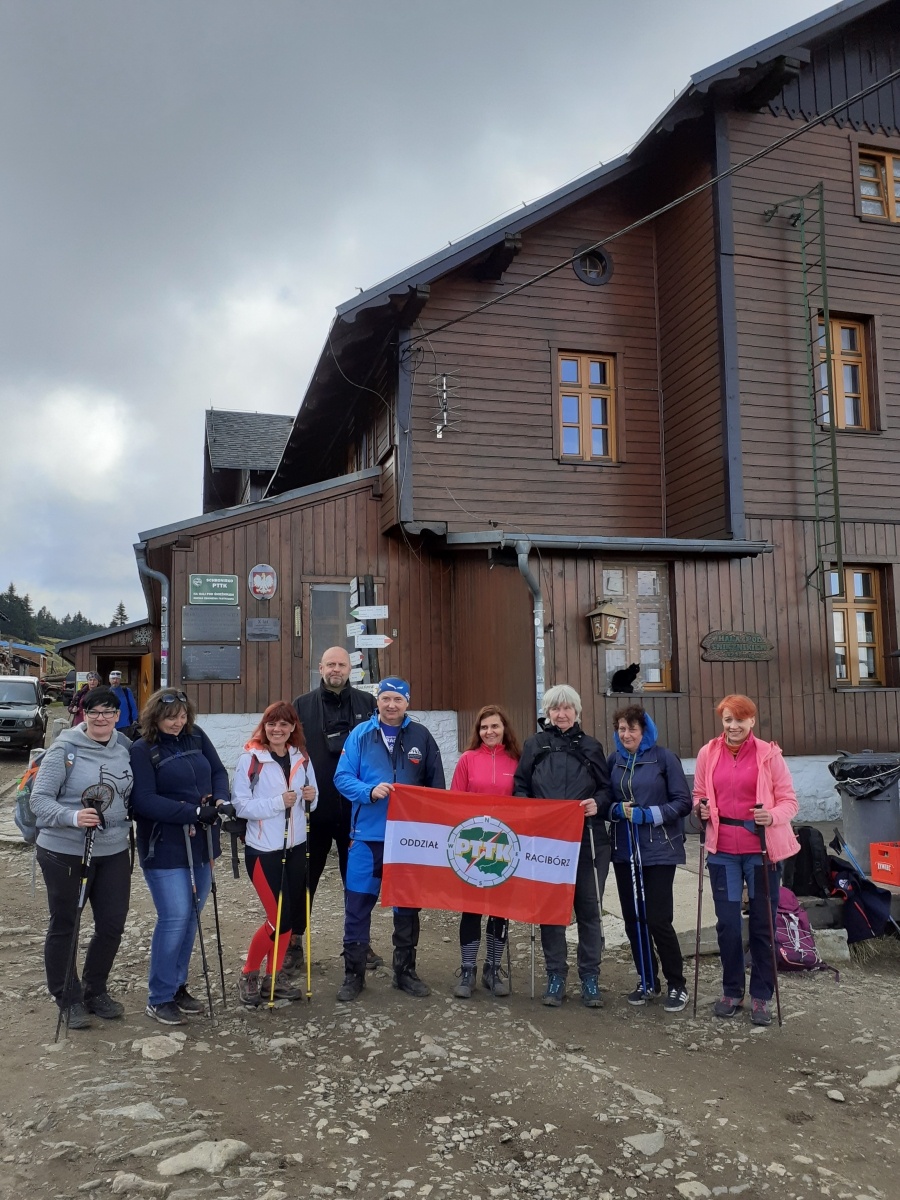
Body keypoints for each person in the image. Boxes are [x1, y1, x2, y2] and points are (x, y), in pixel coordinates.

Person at [333, 676, 445, 1002]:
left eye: (398, 699)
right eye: (386, 699)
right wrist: (368, 791)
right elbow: (341, 777)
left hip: (408, 839)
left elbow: (436, 786)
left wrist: (431, 828)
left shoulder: (421, 736)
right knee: (358, 904)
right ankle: (353, 975)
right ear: (377, 702)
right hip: (367, 837)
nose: (392, 705)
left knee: (407, 907)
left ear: (407, 703)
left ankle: (405, 972)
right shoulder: (360, 735)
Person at [29, 686, 134, 1029]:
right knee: (66, 924)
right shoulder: (65, 750)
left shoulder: (126, 748)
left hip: (114, 848)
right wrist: (73, 817)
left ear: (118, 716)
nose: (101, 718)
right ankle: (66, 997)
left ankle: (95, 990)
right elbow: (39, 800)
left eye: (108, 712)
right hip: (64, 849)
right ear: (83, 715)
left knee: (112, 925)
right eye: (94, 712)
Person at [693, 694, 800, 1027]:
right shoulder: (707, 753)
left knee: (762, 926)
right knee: (726, 925)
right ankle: (731, 990)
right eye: (728, 720)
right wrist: (701, 809)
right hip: (722, 851)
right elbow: (698, 795)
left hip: (761, 852)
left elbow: (790, 801)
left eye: (740, 720)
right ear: (721, 722)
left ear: (752, 721)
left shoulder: (769, 754)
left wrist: (772, 815)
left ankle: (762, 997)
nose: (733, 726)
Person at [130, 688, 230, 1026]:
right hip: (165, 846)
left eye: (183, 716)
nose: (178, 722)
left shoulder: (196, 736)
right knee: (174, 917)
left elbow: (218, 771)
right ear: (155, 716)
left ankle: (177, 987)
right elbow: (143, 801)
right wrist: (191, 811)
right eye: (171, 717)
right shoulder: (142, 750)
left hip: (201, 841)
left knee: (191, 917)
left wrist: (219, 800)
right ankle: (158, 997)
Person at [513, 684, 611, 1008]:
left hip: (587, 841)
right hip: (547, 842)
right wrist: (530, 811)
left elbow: (607, 790)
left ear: (577, 711)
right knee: (552, 912)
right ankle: (556, 975)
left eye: (567, 708)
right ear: (548, 712)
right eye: (556, 708)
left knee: (588, 911)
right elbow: (521, 787)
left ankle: (590, 977)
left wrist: (598, 803)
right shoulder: (535, 745)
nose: (562, 714)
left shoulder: (591, 747)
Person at [292, 646, 378, 972]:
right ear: (320, 667)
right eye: (330, 664)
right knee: (304, 878)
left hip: (356, 813)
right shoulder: (301, 706)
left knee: (356, 880)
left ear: (350, 668)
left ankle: (359, 943)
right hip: (314, 810)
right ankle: (294, 943)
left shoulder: (368, 705)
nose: (336, 670)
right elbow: (288, 751)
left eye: (341, 664)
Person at [605, 705, 692, 1011]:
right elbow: (606, 799)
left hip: (658, 849)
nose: (625, 734)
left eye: (632, 729)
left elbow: (683, 802)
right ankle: (647, 979)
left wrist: (648, 815)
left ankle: (677, 984)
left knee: (658, 919)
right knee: (633, 919)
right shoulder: (614, 761)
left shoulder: (663, 758)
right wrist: (617, 810)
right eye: (621, 729)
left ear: (645, 731)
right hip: (625, 849)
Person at [233, 702, 319, 1007]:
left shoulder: (301, 758)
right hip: (264, 851)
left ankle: (274, 976)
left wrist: (310, 798)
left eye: (284, 724)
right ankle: (249, 973)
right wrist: (276, 803)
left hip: (295, 848)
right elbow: (240, 805)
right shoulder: (251, 759)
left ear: (293, 727)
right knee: (277, 919)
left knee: (289, 919)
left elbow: (313, 798)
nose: (277, 730)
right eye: (272, 724)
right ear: (264, 726)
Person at [449, 705, 521, 999]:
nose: (489, 732)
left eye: (495, 726)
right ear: (477, 732)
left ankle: (493, 968)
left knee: (499, 910)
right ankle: (468, 969)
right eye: (484, 728)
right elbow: (455, 801)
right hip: (473, 845)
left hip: (505, 846)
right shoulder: (467, 760)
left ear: (505, 729)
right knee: (472, 908)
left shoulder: (517, 760)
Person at [109, 670, 139, 735]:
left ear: (120, 680)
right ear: (110, 680)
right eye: (113, 678)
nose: (115, 681)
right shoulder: (107, 692)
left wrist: (135, 719)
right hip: (110, 724)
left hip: (125, 725)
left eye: (117, 679)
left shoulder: (126, 691)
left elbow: (133, 706)